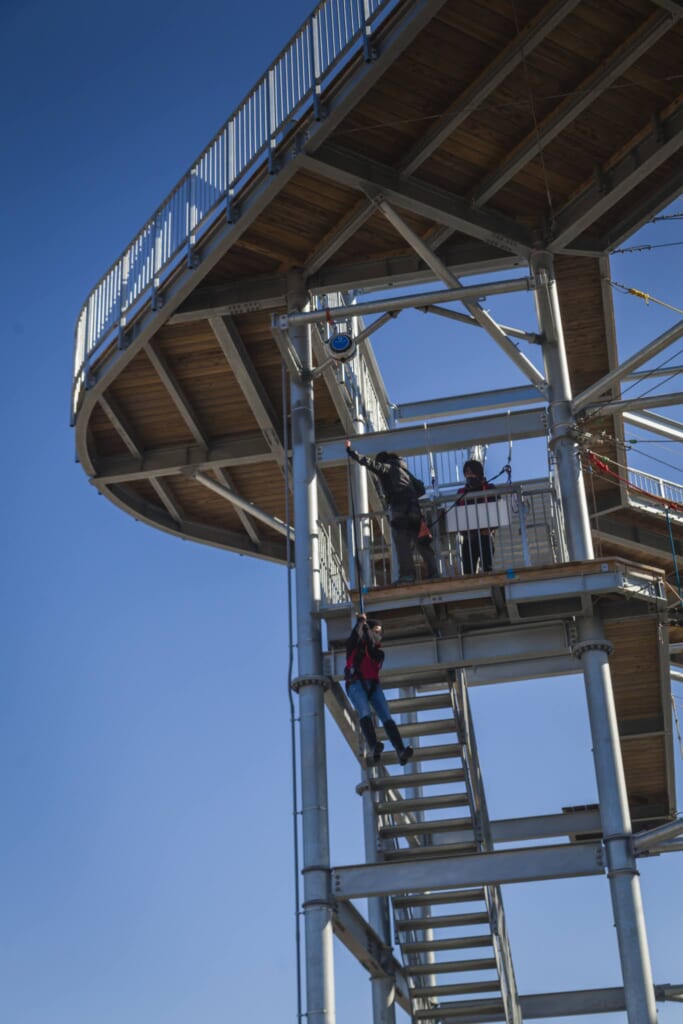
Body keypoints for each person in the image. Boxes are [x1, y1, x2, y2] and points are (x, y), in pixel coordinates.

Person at [346, 441, 438, 583]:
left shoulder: (387, 467)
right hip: (414, 510)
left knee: (402, 543)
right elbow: (421, 489)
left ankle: (407, 575)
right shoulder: (405, 471)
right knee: (421, 541)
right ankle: (434, 572)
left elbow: (370, 464)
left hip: (399, 510)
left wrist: (352, 452)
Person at [344, 613, 413, 766]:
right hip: (356, 684)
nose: (379, 635)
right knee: (364, 712)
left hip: (373, 686)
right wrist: (361, 622)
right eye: (376, 631)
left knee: (386, 716)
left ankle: (400, 750)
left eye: (380, 633)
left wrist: (366, 629)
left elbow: (370, 648)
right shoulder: (354, 647)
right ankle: (373, 745)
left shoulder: (379, 654)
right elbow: (355, 636)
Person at [455, 459, 496, 574]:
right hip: (469, 537)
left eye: (471, 472)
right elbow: (458, 512)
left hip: (485, 535)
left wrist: (491, 528)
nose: (469, 475)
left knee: (488, 568)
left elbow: (496, 509)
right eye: (467, 473)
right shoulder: (462, 492)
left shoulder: (489, 488)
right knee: (468, 571)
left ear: (478, 472)